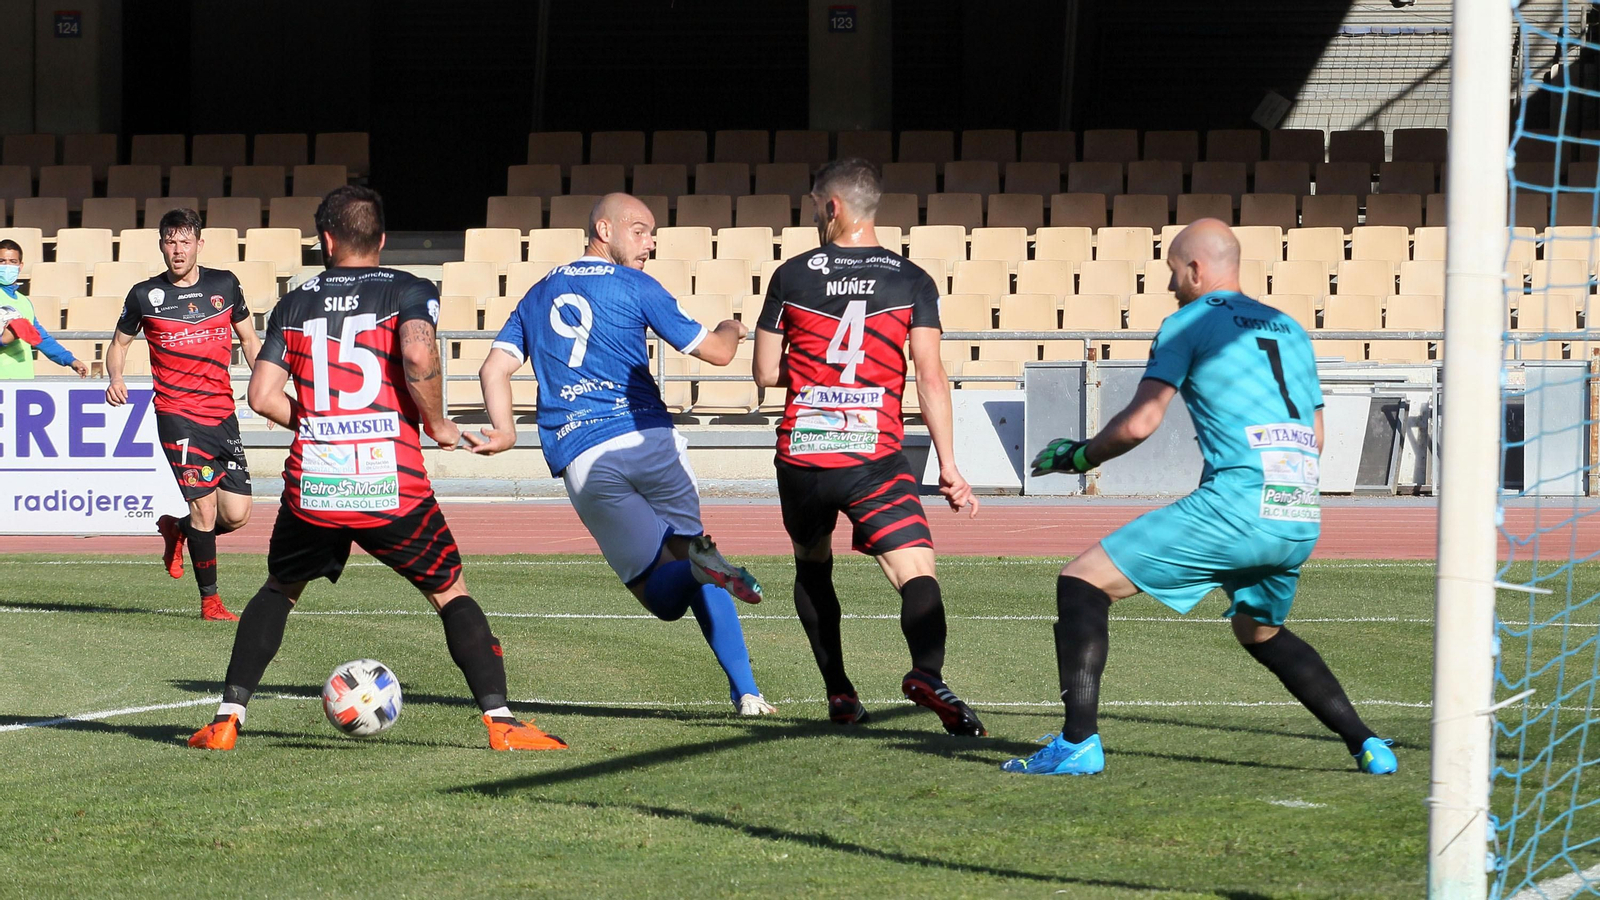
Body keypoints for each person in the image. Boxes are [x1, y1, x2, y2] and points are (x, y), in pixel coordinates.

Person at [1004, 218, 1396, 776]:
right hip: (1297, 508)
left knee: (1082, 581)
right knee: (1259, 631)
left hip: (1236, 504)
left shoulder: (1187, 323)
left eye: (1172, 272)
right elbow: (1318, 437)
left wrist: (1080, 456)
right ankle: (1368, 744)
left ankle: (1077, 744)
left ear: (1195, 268)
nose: (1169, 286)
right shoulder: (1289, 328)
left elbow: (1141, 423)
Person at [188, 186, 564, 752]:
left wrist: (318, 420)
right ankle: (502, 723)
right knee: (450, 592)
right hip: (391, 482)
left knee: (279, 590)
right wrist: (436, 424)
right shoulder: (409, 289)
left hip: (315, 480)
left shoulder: (295, 301)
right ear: (383, 239)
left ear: (326, 240)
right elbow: (418, 354)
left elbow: (263, 397)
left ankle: (227, 719)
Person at [476, 192, 775, 716]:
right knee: (690, 555)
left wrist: (504, 431)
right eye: (640, 231)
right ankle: (747, 692)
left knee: (660, 598)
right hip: (650, 440)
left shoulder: (536, 293)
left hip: (584, 456)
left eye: (653, 234)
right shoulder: (636, 286)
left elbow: (492, 369)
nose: (651, 243)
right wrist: (733, 326)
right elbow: (720, 353)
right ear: (603, 229)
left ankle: (709, 584)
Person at [752, 158, 984, 735]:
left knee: (812, 564)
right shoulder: (911, 280)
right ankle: (927, 672)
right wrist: (950, 467)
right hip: (872, 455)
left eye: (813, 204)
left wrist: (815, 375)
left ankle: (838, 692)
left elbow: (762, 372)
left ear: (831, 208)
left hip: (803, 454)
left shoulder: (791, 275)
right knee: (915, 570)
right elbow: (930, 377)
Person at [106, 209, 257, 621]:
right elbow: (118, 344)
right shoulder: (144, 295)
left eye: (185, 241)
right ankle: (211, 602)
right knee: (206, 508)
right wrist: (115, 376)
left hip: (222, 413)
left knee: (237, 514)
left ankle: (179, 530)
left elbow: (248, 339)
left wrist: (266, 387)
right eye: (170, 242)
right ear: (161, 245)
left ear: (199, 245)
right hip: (177, 415)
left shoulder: (225, 285)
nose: (178, 250)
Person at [0, 239, 90, 379]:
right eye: (2, 261)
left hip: (21, 380)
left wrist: (70, 360)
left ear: (20, 266)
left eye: (13, 262)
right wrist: (2, 340)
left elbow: (40, 337)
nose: (7, 266)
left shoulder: (24, 302)